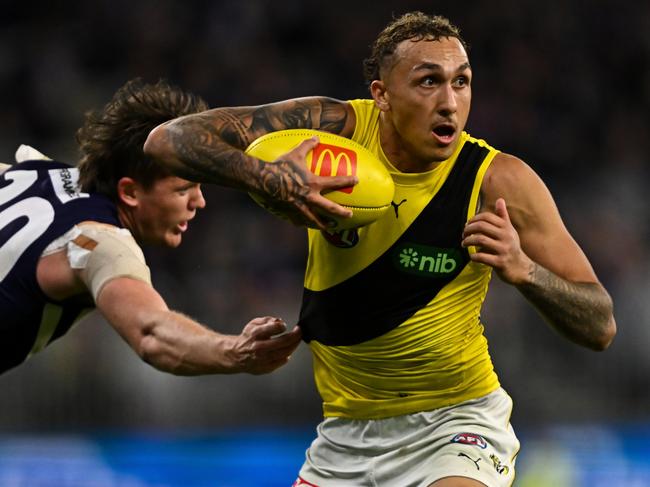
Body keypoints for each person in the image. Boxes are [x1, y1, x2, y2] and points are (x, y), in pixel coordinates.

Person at [144, 12, 617, 487]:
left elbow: (600, 324)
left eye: (462, 82)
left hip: (455, 426)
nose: (450, 102)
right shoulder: (334, 129)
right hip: (344, 438)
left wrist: (525, 271)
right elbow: (168, 141)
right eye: (429, 81)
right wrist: (268, 178)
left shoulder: (497, 181)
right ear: (381, 95)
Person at [0, 77, 355, 377]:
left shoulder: (32, 172)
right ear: (130, 191)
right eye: (184, 188)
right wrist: (234, 350)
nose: (199, 201)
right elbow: (152, 333)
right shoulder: (100, 242)